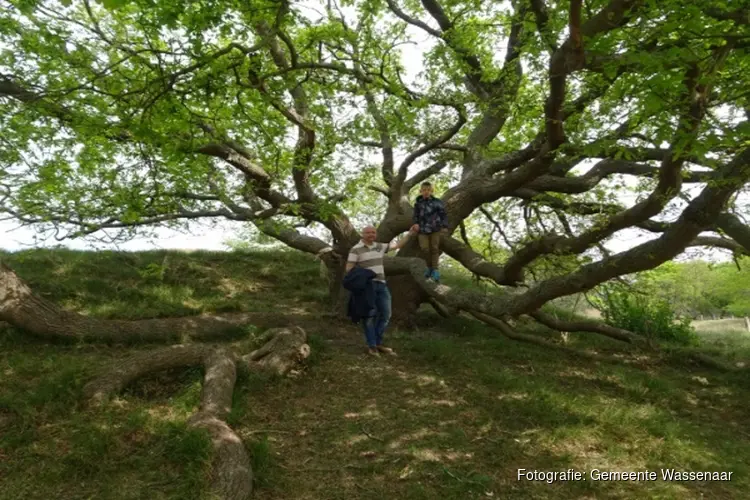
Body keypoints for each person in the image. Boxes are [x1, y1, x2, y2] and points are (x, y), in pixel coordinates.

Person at [345, 225, 417, 356]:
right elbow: (349, 269)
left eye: (373, 232)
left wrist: (410, 233)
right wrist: (365, 275)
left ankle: (377, 342)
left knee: (386, 314)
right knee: (369, 316)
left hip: (381, 285)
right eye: (368, 232)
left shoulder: (379, 246)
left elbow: (397, 246)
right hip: (367, 287)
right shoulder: (355, 250)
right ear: (363, 234)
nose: (371, 234)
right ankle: (372, 346)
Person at [410, 181, 449, 282]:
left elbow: (443, 214)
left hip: (435, 228)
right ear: (421, 191)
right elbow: (415, 216)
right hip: (422, 229)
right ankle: (429, 267)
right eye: (424, 190)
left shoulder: (437, 202)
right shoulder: (418, 203)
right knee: (424, 248)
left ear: (432, 191)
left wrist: (444, 226)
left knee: (434, 248)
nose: (426, 192)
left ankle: (435, 270)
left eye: (428, 190)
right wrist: (415, 223)